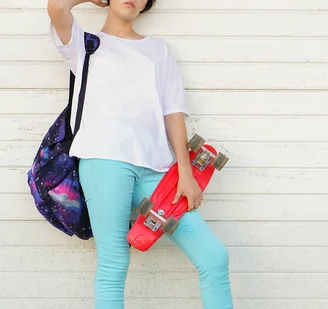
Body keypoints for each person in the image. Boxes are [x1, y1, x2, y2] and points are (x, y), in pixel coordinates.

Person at [46, 0, 234, 308]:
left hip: (155, 166)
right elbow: (56, 7)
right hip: (104, 160)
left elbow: (173, 113)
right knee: (114, 263)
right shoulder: (86, 45)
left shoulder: (159, 51)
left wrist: (185, 174)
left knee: (213, 256)